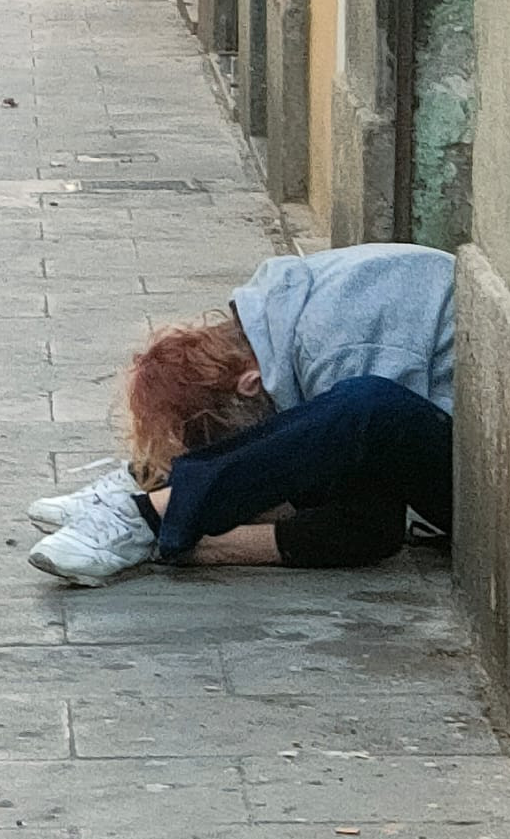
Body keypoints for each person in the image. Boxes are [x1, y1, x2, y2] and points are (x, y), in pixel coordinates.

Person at [27, 242, 455, 587]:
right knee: (322, 465)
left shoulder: (338, 342)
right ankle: (157, 493)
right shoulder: (280, 316)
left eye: (214, 436)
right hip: (428, 450)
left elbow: (374, 512)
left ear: (249, 383)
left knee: (366, 408)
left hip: (477, 483)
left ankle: (147, 516)